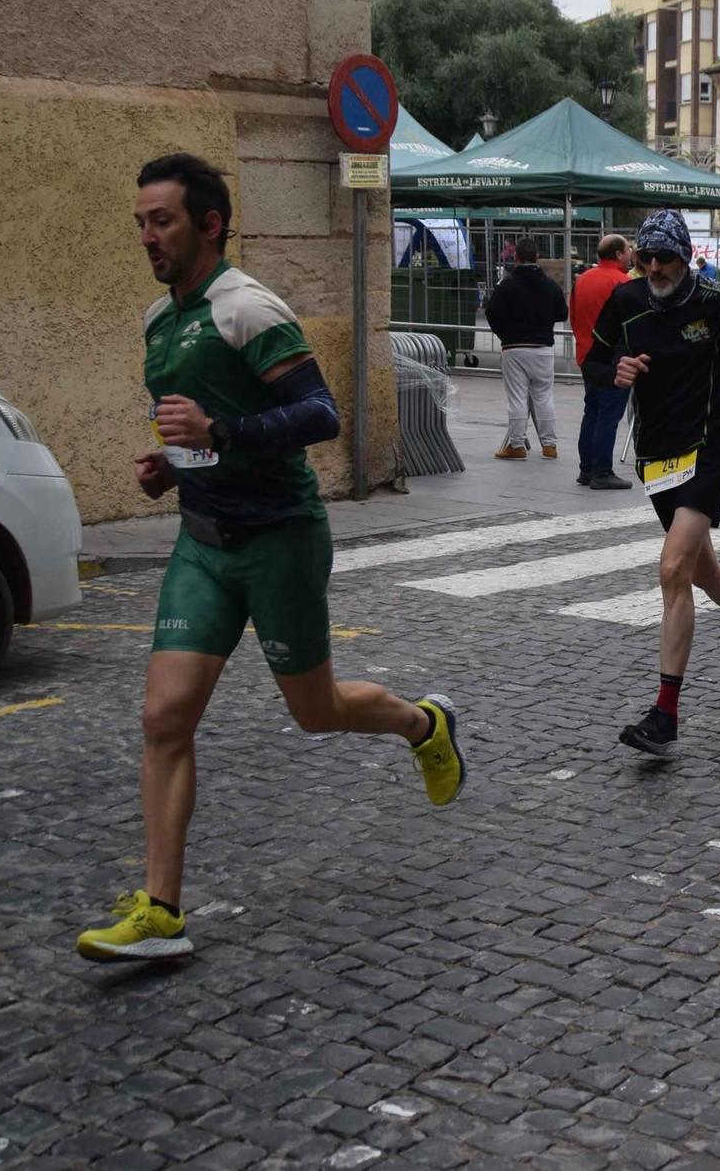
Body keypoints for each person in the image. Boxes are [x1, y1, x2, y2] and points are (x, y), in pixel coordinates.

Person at [78, 154, 463, 963]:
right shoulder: (160, 319)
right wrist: (172, 464)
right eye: (141, 222)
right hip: (203, 543)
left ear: (209, 224)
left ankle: (422, 723)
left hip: (280, 540)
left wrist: (220, 434)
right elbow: (195, 429)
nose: (147, 236)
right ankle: (161, 911)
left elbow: (319, 414)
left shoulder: (247, 309)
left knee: (315, 711)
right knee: (163, 718)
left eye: (164, 221)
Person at [581, 209, 720, 757]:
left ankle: (665, 714)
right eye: (645, 257)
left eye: (664, 257)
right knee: (699, 568)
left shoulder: (718, 300)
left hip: (710, 444)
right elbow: (592, 361)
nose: (653, 267)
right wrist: (615, 371)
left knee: (673, 568)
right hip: (656, 453)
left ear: (687, 255)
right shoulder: (626, 300)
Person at [485, 237, 568, 462]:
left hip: (514, 347)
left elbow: (491, 312)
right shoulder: (550, 285)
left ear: (516, 257)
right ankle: (549, 445)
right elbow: (562, 313)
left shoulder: (507, 284)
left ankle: (517, 445)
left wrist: (505, 334)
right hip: (542, 347)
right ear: (537, 258)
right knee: (543, 396)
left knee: (517, 398)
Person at [571, 234, 634, 489]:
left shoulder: (582, 279)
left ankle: (586, 469)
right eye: (628, 249)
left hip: (588, 357)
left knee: (592, 412)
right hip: (613, 361)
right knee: (608, 416)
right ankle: (601, 471)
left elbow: (573, 316)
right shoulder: (622, 283)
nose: (631, 253)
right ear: (618, 254)